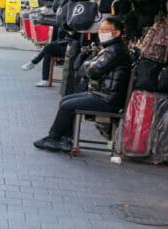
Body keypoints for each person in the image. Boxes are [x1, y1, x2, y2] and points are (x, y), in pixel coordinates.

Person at [34, 18, 130, 153]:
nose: (101, 33)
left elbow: (92, 71)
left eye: (106, 30)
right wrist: (89, 64)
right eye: (101, 30)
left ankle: (55, 138)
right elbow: (85, 70)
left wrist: (87, 63)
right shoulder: (110, 49)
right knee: (65, 100)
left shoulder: (114, 51)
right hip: (100, 94)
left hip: (107, 99)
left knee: (68, 105)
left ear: (117, 33)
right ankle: (63, 139)